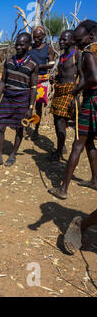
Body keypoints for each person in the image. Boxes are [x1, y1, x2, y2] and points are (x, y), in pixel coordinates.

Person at [48, 20, 97, 200]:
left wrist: (77, 90)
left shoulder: (89, 53)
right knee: (89, 141)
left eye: (79, 40)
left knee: (78, 143)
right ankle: (94, 179)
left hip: (92, 101)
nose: (77, 44)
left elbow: (93, 78)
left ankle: (63, 188)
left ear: (91, 36)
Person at [0, 33, 39, 168]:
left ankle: (13, 154)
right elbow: (3, 81)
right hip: (8, 98)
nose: (18, 47)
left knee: (19, 128)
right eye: (17, 44)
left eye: (22, 44)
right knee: (1, 125)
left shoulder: (33, 64)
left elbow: (33, 87)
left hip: (23, 99)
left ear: (29, 46)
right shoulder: (9, 60)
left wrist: (30, 107)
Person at [48, 30, 80, 161]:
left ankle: (59, 151)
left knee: (61, 122)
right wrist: (54, 78)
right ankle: (60, 147)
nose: (61, 42)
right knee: (57, 121)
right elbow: (62, 74)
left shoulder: (77, 56)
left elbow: (82, 76)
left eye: (64, 40)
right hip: (59, 91)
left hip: (70, 92)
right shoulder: (61, 57)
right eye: (60, 39)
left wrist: (76, 96)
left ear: (72, 40)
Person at [29, 26, 56, 140]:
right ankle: (26, 124)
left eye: (39, 37)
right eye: (34, 37)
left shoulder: (48, 48)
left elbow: (51, 63)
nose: (36, 39)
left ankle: (36, 129)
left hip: (42, 79)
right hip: (30, 78)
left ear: (43, 36)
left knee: (38, 105)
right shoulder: (30, 47)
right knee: (27, 103)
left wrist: (39, 66)